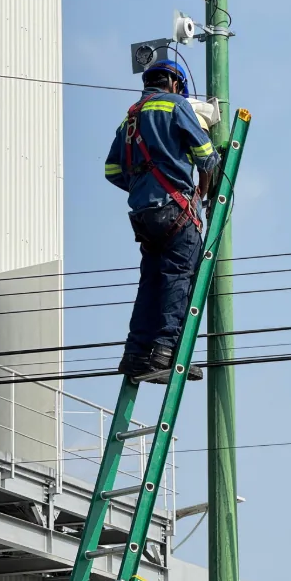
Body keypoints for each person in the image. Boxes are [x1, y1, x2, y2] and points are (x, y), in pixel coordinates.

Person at [104, 60, 221, 383]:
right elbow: (206, 155)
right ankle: (165, 353)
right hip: (176, 211)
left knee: (151, 283)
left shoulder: (129, 119)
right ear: (175, 84)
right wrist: (204, 176)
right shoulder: (176, 105)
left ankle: (135, 355)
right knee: (178, 279)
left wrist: (142, 185)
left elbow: (111, 171)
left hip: (143, 215)